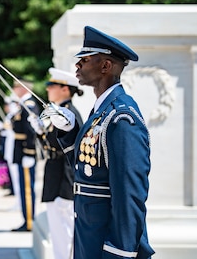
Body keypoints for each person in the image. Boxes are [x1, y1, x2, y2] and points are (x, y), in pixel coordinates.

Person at [44, 26, 155, 259]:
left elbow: (129, 194)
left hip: (107, 243)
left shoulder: (122, 117)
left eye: (84, 60)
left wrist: (120, 251)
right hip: (89, 235)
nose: (77, 66)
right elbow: (89, 165)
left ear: (105, 66)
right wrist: (70, 130)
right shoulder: (101, 111)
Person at [28, 68, 84, 259]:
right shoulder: (58, 113)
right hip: (54, 176)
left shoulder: (68, 115)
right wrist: (40, 132)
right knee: (58, 233)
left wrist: (65, 191)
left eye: (53, 86)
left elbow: (70, 154)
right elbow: (52, 145)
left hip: (63, 180)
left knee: (64, 234)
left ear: (65, 89)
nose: (49, 89)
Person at [10, 79, 40, 232]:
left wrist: (29, 152)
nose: (14, 89)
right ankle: (26, 219)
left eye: (16, 86)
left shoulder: (29, 106)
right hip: (21, 152)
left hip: (25, 153)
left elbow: (31, 131)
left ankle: (29, 221)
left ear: (23, 89)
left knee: (27, 189)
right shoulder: (22, 106)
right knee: (23, 188)